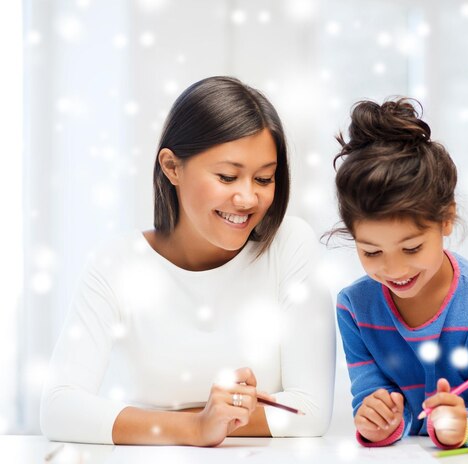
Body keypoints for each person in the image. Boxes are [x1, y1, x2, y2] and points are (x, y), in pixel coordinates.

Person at [40, 76, 336, 446]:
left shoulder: (289, 245)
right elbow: (59, 408)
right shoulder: (117, 263)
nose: (247, 199)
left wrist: (162, 421)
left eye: (264, 178)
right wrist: (196, 428)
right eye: (228, 176)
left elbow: (309, 411)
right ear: (172, 167)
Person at [331, 98, 468, 449]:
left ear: (446, 219)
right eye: (371, 252)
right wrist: (380, 419)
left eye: (411, 248)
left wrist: (466, 425)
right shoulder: (354, 307)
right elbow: (372, 397)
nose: (394, 270)